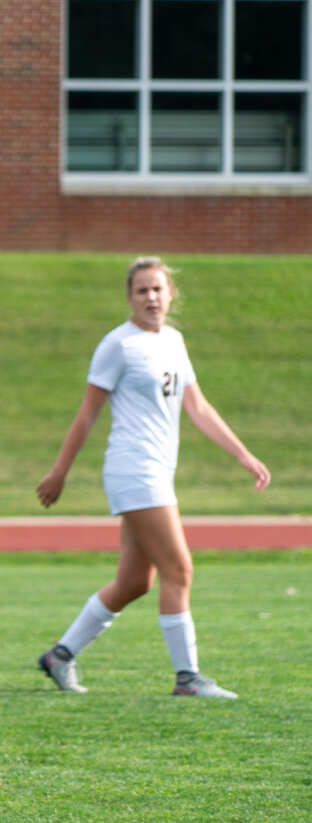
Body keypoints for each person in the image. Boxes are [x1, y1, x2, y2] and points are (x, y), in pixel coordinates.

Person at [35, 257, 270, 699]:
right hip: (134, 469)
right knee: (178, 569)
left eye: (158, 289)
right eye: (142, 290)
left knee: (134, 582)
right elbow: (87, 414)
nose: (151, 298)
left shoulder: (174, 342)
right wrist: (59, 473)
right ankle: (188, 678)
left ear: (171, 295)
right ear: (129, 298)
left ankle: (60, 656)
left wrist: (243, 455)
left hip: (158, 471)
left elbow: (197, 406)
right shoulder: (117, 345)